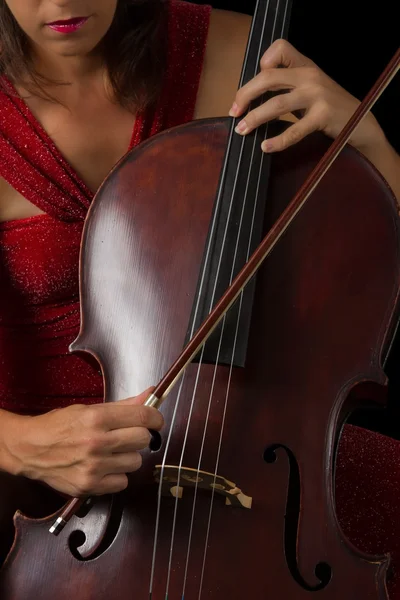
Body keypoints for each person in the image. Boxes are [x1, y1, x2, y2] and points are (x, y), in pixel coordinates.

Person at [0, 0, 399, 594]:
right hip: (39, 485)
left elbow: (354, 260)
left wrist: (374, 149)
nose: (61, 1)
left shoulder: (243, 57)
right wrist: (22, 446)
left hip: (248, 454)